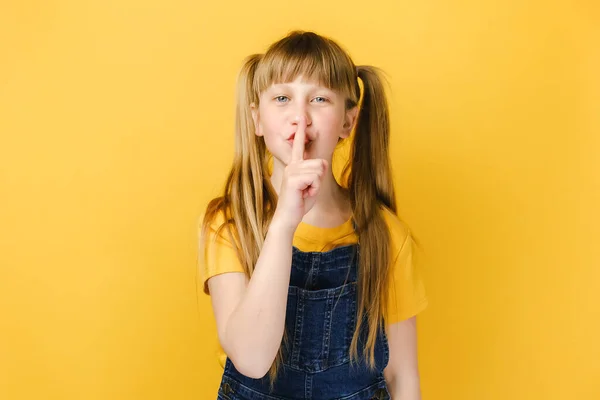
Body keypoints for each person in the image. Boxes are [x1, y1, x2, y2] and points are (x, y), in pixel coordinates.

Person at [198, 30, 428, 400]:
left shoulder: (386, 235)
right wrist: (284, 222)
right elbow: (252, 360)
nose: (299, 118)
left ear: (347, 123)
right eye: (282, 98)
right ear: (257, 119)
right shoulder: (230, 225)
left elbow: (402, 376)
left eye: (319, 98)